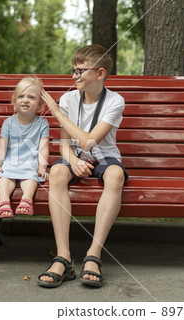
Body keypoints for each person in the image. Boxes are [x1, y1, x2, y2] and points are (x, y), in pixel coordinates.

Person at [38, 44, 129, 288]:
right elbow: (64, 145)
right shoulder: (69, 98)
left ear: (100, 74)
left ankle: (93, 255)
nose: (75, 76)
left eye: (80, 71)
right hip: (76, 156)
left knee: (115, 176)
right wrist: (73, 161)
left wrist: (57, 114)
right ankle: (63, 257)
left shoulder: (115, 101)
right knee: (56, 171)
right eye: (74, 71)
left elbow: (90, 141)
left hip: (104, 155)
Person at [0, 77, 49, 218]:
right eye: (21, 96)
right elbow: (2, 147)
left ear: (40, 103)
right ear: (14, 100)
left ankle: (26, 199)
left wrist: (42, 167)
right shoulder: (8, 122)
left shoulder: (42, 123)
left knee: (31, 177)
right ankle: (4, 201)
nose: (25, 100)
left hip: (30, 162)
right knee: (5, 177)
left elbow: (43, 148)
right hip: (11, 160)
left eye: (31, 97)